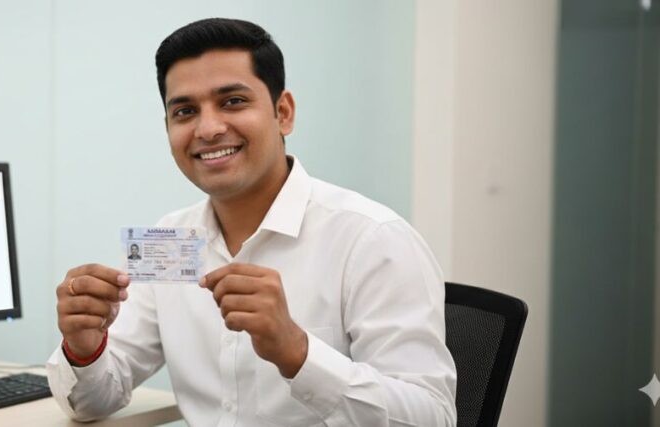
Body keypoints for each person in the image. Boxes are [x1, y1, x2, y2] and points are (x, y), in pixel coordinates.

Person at [46, 18, 457, 426]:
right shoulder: (171, 241)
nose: (208, 129)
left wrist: (297, 352)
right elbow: (92, 402)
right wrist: (85, 348)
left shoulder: (372, 239)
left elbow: (433, 417)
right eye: (185, 111)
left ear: (283, 113)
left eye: (233, 102)